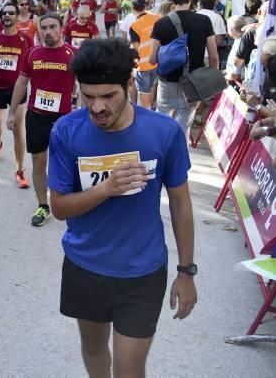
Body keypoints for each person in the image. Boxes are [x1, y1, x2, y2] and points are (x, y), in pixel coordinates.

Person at [49, 39, 197, 378]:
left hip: (142, 272)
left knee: (130, 370)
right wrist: (107, 189)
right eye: (88, 96)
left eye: (108, 96)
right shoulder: (66, 131)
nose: (97, 107)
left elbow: (181, 204)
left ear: (129, 85)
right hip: (85, 266)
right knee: (94, 347)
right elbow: (58, 207)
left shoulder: (163, 132)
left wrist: (186, 271)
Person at [8, 13, 76, 226]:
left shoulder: (73, 54)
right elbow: (21, 83)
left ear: (61, 28)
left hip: (64, 118)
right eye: (43, 28)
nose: (48, 32)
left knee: (66, 161)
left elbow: (83, 86)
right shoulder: (32, 54)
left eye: (52, 27)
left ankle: (69, 202)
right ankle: (43, 205)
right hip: (37, 115)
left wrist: (84, 113)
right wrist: (11, 112)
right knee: (39, 161)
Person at [149, 0, 217, 136]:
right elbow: (213, 56)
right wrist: (212, 80)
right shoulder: (204, 21)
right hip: (194, 83)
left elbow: (152, 59)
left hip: (167, 82)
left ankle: (162, 156)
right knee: (183, 128)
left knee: (162, 123)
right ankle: (179, 157)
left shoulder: (161, 23)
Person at [0, 3, 32, 188]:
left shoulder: (26, 40)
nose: (7, 15)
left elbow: (33, 65)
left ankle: (19, 170)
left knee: (18, 128)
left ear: (17, 16)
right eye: (5, 13)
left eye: (11, 13)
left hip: (18, 90)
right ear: (1, 17)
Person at [129, 0, 161, 109]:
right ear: (145, 6)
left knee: (144, 93)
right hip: (157, 61)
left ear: (132, 8)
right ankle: (151, 112)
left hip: (143, 66)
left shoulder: (134, 26)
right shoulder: (157, 18)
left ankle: (147, 114)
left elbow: (136, 48)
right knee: (154, 87)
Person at [197, 0, 227, 69]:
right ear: (214, 5)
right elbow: (219, 40)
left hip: (192, 54)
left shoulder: (194, 15)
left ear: (200, 5)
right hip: (209, 55)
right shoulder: (217, 17)